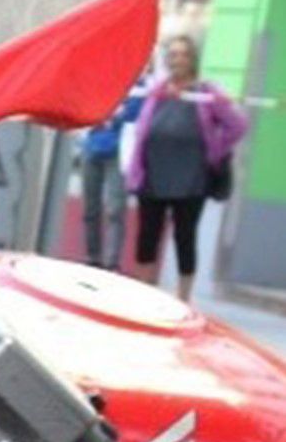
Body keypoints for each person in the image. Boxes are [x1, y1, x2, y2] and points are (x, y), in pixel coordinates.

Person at [128, 35, 249, 299]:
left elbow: (237, 125)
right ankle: (142, 292)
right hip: (153, 175)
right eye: (173, 55)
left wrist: (216, 148)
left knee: (184, 236)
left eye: (183, 54)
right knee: (147, 235)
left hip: (191, 179)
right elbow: (137, 123)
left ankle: (183, 297)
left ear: (193, 59)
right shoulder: (157, 90)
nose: (178, 60)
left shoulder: (206, 93)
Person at [82, 74, 143, 268]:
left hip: (119, 151)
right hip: (91, 146)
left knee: (115, 209)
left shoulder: (140, 84)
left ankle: (111, 262)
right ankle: (93, 257)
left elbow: (137, 113)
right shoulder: (102, 77)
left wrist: (116, 112)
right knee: (90, 207)